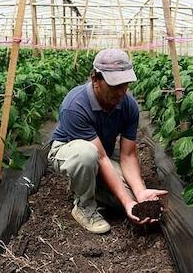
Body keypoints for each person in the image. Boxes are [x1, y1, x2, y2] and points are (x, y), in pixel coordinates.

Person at [47, 48, 168, 234]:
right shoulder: (75, 106)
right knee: (86, 155)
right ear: (95, 79)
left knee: (132, 199)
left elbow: (127, 155)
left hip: (101, 154)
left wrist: (140, 192)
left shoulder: (129, 106)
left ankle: (93, 186)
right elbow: (101, 158)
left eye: (125, 85)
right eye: (114, 86)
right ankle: (84, 207)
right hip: (69, 151)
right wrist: (128, 201)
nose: (121, 92)